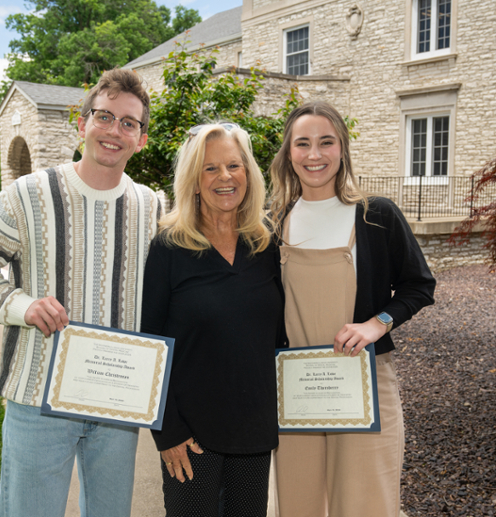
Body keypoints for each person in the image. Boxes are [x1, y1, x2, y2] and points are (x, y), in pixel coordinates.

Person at [0, 68, 162, 517]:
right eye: (104, 117)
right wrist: (22, 305)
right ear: (82, 123)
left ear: (141, 139)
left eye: (129, 123)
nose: (114, 131)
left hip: (118, 403)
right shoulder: (29, 194)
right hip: (36, 396)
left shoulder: (153, 206)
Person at [268, 101, 436, 517]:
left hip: (365, 386)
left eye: (326, 142)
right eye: (302, 144)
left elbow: (419, 285)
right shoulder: (273, 223)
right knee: (298, 505)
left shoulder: (375, 215)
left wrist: (377, 323)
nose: (315, 155)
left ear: (341, 148)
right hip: (297, 390)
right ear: (289, 154)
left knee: (365, 505)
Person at [140, 123, 286, 517]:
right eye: (210, 169)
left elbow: (278, 336)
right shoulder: (169, 245)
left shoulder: (265, 242)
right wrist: (166, 431)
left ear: (248, 174)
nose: (225, 177)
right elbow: (150, 343)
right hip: (190, 437)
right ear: (194, 180)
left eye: (234, 166)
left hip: (253, 433)